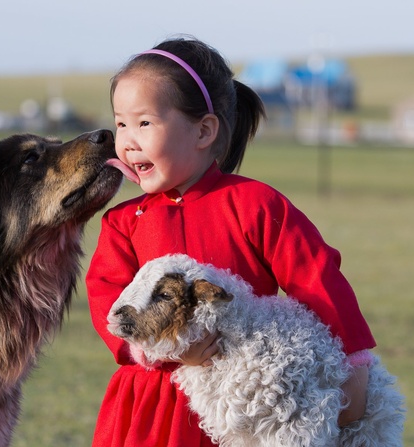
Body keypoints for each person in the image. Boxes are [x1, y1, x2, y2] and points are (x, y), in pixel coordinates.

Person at [86, 36, 376, 447]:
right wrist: (158, 349)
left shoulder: (255, 205)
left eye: (144, 123)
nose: (128, 140)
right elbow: (107, 300)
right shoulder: (122, 223)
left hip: (245, 398)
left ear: (204, 130)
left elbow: (318, 279)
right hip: (151, 405)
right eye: (120, 123)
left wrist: (355, 365)